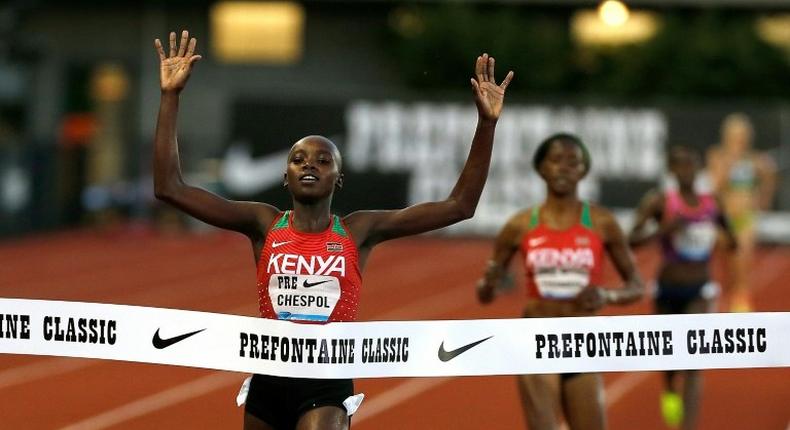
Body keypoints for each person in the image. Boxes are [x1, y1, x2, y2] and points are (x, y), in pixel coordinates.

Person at [153, 30, 514, 430]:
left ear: (338, 178)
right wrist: (170, 97)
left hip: (326, 382)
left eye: (323, 160)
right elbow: (169, 188)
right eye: (298, 159)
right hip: (268, 378)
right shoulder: (262, 223)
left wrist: (486, 124)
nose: (310, 165)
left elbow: (459, 206)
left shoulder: (359, 230)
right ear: (284, 176)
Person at [476, 133, 644, 430]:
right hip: (535, 340)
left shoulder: (602, 222)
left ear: (583, 171)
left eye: (573, 163)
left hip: (583, 341)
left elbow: (636, 285)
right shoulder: (520, 224)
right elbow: (485, 294)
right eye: (556, 160)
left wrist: (606, 296)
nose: (564, 168)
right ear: (542, 168)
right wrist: (489, 283)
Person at [629, 145, 737, 430]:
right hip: (667, 289)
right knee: (669, 356)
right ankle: (668, 389)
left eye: (691, 165)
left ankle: (688, 426)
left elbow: (732, 238)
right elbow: (631, 239)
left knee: (693, 358)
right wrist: (662, 230)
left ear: (698, 167)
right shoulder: (660, 201)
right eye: (680, 165)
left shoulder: (712, 202)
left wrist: (725, 237)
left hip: (699, 289)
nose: (686, 171)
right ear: (671, 171)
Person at [705, 113, 776, 312]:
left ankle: (742, 307)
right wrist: (730, 164)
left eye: (742, 135)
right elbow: (714, 186)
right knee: (724, 268)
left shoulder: (755, 159)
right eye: (735, 135)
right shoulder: (717, 156)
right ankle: (724, 304)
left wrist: (763, 199)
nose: (739, 140)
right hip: (723, 219)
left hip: (745, 219)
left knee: (742, 265)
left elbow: (769, 177)